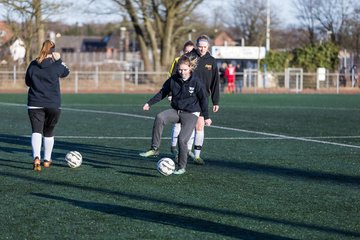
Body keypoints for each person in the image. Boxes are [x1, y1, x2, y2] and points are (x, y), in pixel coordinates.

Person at [139, 55, 212, 175]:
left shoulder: (196, 82)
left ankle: (182, 166)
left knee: (182, 139)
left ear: (190, 68)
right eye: (180, 69)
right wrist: (149, 103)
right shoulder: (173, 79)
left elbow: (203, 100)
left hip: (191, 114)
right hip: (177, 111)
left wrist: (207, 117)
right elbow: (162, 92)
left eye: (184, 70)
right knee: (160, 117)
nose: (182, 72)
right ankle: (154, 149)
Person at [25, 40, 70, 171]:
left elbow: (28, 82)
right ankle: (47, 160)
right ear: (53, 50)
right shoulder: (56, 65)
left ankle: (36, 157)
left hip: (35, 103)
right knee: (49, 132)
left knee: (36, 131)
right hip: (53, 104)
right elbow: (66, 72)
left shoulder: (33, 64)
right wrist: (59, 60)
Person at [181, 34, 220, 165]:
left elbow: (215, 82)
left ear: (208, 46)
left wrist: (216, 101)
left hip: (203, 98)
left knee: (200, 126)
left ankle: (197, 156)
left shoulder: (212, 61)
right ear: (196, 46)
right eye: (200, 47)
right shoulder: (189, 58)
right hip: (188, 97)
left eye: (204, 47)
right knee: (188, 125)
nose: (202, 49)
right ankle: (185, 152)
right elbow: (179, 75)